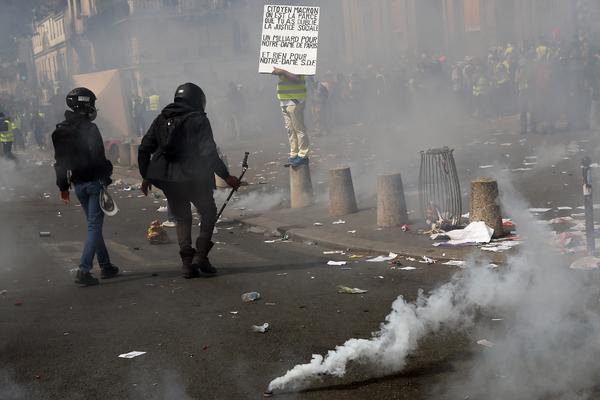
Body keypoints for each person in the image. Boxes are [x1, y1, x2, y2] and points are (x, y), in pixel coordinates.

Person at [138, 82, 240, 278]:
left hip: (167, 178)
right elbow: (209, 153)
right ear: (198, 100)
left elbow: (144, 148)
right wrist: (226, 176)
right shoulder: (199, 120)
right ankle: (200, 256)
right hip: (195, 176)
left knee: (182, 217)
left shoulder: (162, 118)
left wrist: (145, 176)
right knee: (208, 212)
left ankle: (187, 263)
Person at [52, 87, 119, 286]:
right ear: (84, 105)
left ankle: (106, 266)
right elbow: (98, 157)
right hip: (94, 183)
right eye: (90, 103)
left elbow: (60, 163)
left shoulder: (60, 130)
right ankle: (84, 270)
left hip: (78, 185)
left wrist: (63, 186)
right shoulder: (90, 129)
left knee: (93, 227)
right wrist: (106, 176)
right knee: (94, 228)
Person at [272, 67, 309, 167]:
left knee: (299, 128)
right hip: (284, 101)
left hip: (295, 100)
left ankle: (303, 155)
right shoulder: (284, 65)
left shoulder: (297, 64)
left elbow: (297, 79)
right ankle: (294, 154)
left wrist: (282, 72)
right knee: (290, 130)